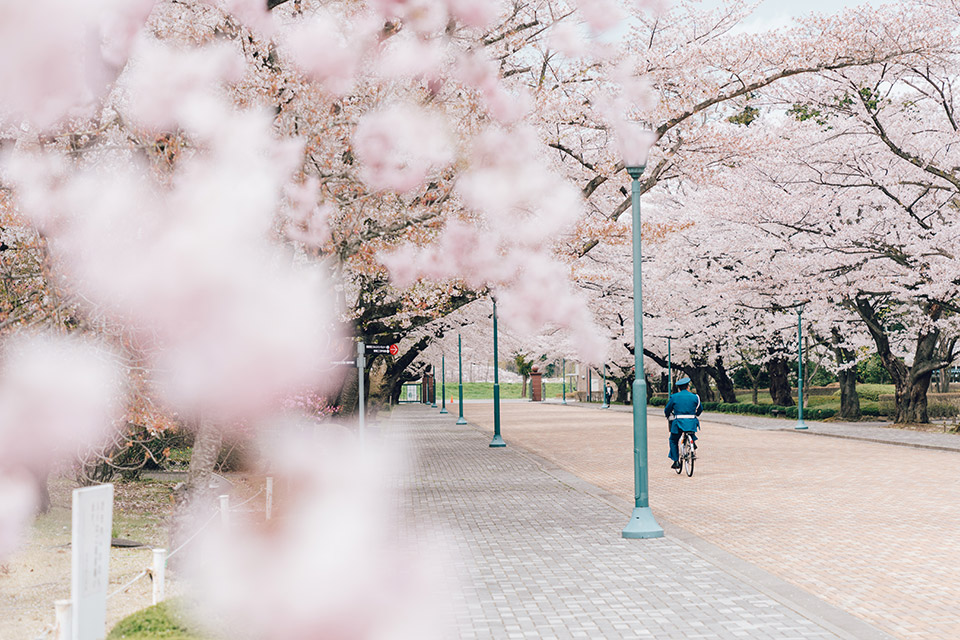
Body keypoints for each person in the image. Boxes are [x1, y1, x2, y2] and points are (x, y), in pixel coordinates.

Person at [663, 376, 702, 470]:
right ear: (688, 386)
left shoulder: (674, 397)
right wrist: (695, 414)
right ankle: (692, 442)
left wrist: (668, 415)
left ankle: (676, 461)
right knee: (690, 431)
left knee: (673, 440)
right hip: (691, 421)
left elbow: (667, 409)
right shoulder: (695, 397)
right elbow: (700, 409)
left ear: (679, 388)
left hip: (678, 422)